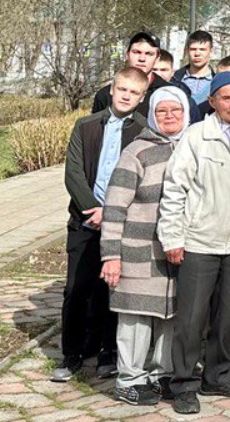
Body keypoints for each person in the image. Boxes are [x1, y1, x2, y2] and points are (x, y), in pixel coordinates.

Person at [157, 72, 230, 415]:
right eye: (226, 98)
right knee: (192, 319)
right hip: (199, 241)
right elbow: (175, 190)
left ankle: (218, 376)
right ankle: (183, 384)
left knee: (227, 318)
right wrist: (173, 237)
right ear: (212, 101)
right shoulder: (197, 137)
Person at [55, 66, 149, 383]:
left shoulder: (144, 132)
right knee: (76, 289)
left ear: (142, 96)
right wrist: (92, 208)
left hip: (120, 224)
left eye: (134, 92)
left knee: (114, 289)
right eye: (122, 89)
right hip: (84, 221)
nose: (126, 96)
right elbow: (74, 174)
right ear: (112, 89)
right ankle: (72, 353)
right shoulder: (86, 126)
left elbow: (141, 182)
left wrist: (110, 213)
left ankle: (109, 352)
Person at [99, 86, 190, 406]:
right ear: (152, 114)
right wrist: (111, 255)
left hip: (178, 252)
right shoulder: (136, 151)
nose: (169, 116)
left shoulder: (193, 147)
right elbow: (113, 207)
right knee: (135, 317)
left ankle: (162, 373)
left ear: (185, 113)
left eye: (175, 110)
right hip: (138, 251)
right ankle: (130, 378)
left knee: (171, 315)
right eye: (162, 111)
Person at [91, 33, 162, 114]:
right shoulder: (105, 95)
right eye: (136, 52)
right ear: (127, 54)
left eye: (149, 54)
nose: (142, 58)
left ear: (157, 59)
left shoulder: (166, 93)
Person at [174, 31, 215, 108]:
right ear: (187, 51)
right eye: (193, 49)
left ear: (211, 51)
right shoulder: (174, 80)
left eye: (202, 49)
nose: (197, 54)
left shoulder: (217, 82)